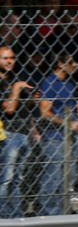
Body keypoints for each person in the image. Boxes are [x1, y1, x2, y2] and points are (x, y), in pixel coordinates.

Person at [36, 52, 78, 216]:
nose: (75, 65)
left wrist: (77, 107)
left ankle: (62, 212)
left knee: (67, 178)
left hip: (70, 138)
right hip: (54, 137)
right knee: (53, 176)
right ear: (60, 64)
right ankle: (49, 213)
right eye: (71, 62)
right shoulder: (51, 83)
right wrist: (68, 123)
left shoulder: (69, 83)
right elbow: (45, 112)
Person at [0, 45, 33, 217]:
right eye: (5, 58)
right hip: (7, 135)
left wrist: (33, 129)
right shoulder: (9, 83)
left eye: (11, 57)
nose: (9, 61)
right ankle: (3, 219)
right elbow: (9, 109)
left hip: (23, 133)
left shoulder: (14, 78)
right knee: (5, 179)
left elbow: (25, 108)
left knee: (17, 180)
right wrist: (16, 88)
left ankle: (16, 216)